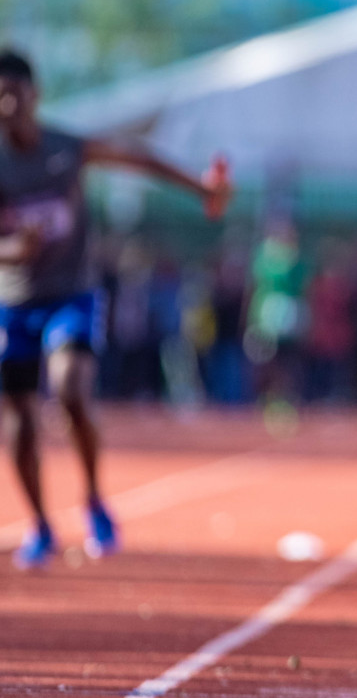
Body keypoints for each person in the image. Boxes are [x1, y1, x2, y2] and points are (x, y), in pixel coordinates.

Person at [0, 48, 230, 570]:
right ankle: (39, 525)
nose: (6, 103)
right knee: (18, 417)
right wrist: (15, 249)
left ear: (34, 95)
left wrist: (201, 189)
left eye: (14, 92)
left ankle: (94, 499)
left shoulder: (65, 149)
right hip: (14, 302)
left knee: (70, 389)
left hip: (71, 294)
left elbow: (138, 157)